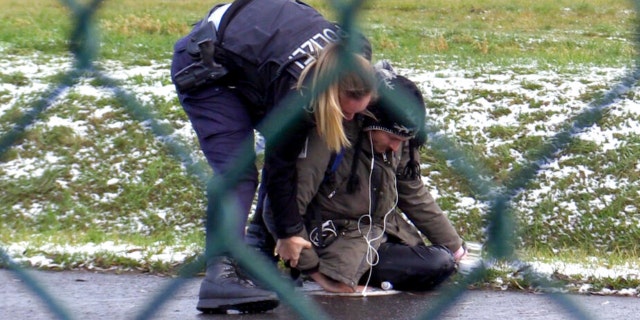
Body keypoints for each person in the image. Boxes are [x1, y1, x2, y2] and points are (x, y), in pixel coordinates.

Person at [170, 0, 376, 314]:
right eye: (345, 112)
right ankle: (220, 275)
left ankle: (257, 254)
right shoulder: (297, 94)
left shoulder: (356, 53)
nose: (350, 119)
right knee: (238, 171)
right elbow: (281, 165)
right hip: (206, 67)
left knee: (308, 139)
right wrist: (289, 232)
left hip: (254, 58)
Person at [260, 62, 467, 293]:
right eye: (392, 138)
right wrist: (315, 271)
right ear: (369, 120)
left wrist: (456, 247)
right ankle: (346, 274)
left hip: (378, 233)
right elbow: (281, 207)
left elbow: (412, 191)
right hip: (335, 241)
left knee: (444, 259)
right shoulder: (329, 137)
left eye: (404, 141)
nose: (395, 147)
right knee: (437, 264)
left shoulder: (398, 138)